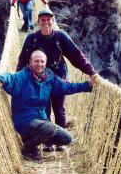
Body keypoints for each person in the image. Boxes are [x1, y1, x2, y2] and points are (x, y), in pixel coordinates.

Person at [16, 8, 98, 152]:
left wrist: (91, 72)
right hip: (39, 81)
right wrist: (18, 80)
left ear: (53, 21)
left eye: (49, 19)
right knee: (44, 109)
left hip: (59, 78)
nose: (46, 22)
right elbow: (23, 59)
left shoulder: (61, 37)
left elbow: (76, 56)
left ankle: (60, 142)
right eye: (43, 20)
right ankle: (48, 142)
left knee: (59, 109)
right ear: (38, 22)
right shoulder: (32, 38)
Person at [0, 50, 94, 161]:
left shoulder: (49, 77)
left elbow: (67, 87)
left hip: (41, 121)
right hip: (24, 121)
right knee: (50, 128)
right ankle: (28, 148)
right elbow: (9, 77)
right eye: (36, 61)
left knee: (67, 138)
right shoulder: (21, 77)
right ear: (30, 62)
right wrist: (0, 79)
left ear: (45, 63)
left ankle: (31, 139)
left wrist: (87, 85)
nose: (39, 64)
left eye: (42, 61)